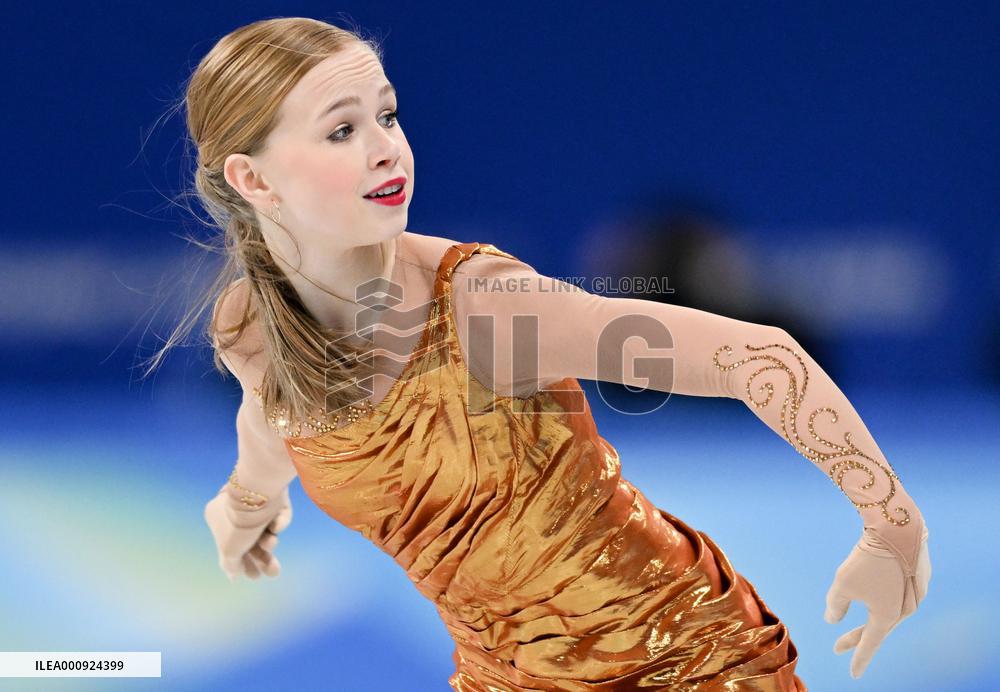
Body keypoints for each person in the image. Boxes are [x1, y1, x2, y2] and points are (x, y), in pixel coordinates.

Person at [153, 16, 931, 690]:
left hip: (680, 663)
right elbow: (275, 420)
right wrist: (247, 505)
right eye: (342, 130)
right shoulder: (250, 325)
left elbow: (760, 359)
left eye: (388, 117)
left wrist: (891, 526)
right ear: (252, 178)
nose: (387, 151)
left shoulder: (486, 307)